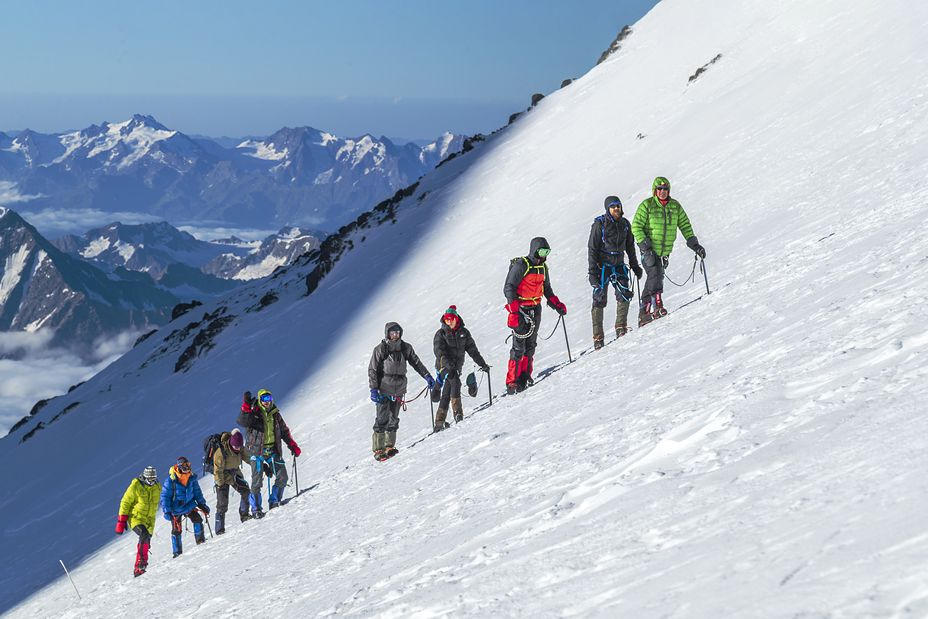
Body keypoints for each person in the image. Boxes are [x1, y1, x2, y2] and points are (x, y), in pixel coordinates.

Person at [631, 177, 706, 327]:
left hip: (664, 252)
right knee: (655, 274)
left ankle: (643, 312)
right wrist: (645, 246)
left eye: (665, 189)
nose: (663, 192)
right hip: (648, 251)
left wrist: (695, 245)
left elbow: (685, 225)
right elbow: (636, 226)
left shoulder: (675, 206)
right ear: (655, 190)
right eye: (660, 189)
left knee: (654, 276)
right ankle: (657, 306)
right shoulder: (647, 205)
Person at [503, 237, 567, 394]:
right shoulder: (522, 265)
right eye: (542, 251)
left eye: (547, 252)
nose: (545, 255)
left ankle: (525, 376)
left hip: (535, 309)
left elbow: (547, 289)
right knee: (518, 346)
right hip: (521, 309)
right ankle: (512, 382)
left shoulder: (543, 268)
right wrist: (514, 310)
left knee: (530, 345)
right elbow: (509, 287)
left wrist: (556, 304)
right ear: (534, 250)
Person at [368, 322, 436, 461]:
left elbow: (416, 363)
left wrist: (427, 375)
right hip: (384, 388)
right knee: (382, 419)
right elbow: (373, 370)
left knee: (394, 418)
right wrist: (374, 389)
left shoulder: (405, 348)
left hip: (399, 389)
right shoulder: (381, 349)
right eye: (392, 333)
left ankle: (389, 447)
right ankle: (378, 450)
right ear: (387, 333)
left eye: (397, 332)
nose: (395, 335)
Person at [588, 196, 643, 349]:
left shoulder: (625, 224)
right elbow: (592, 248)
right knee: (599, 298)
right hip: (602, 266)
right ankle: (598, 337)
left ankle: (621, 327)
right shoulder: (600, 224)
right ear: (608, 209)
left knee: (624, 293)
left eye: (618, 206)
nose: (617, 209)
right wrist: (592, 271)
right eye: (613, 207)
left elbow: (630, 247)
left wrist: (635, 266)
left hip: (619, 263)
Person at [237, 389, 301, 516]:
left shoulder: (275, 414)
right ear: (260, 400)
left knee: (282, 476)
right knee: (257, 482)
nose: (267, 402)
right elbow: (242, 422)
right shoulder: (253, 413)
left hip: (272, 450)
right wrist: (245, 409)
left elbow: (284, 431)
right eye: (264, 399)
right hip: (256, 452)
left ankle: (274, 501)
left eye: (269, 399)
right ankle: (256, 509)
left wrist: (292, 445)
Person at [432, 305, 490, 432]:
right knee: (455, 381)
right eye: (447, 320)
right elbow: (439, 353)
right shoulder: (440, 334)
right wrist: (450, 366)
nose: (449, 321)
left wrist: (482, 364)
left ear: (456, 319)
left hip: (456, 368)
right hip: (443, 366)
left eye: (452, 319)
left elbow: (473, 351)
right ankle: (458, 414)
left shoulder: (464, 333)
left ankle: (439, 422)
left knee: (446, 393)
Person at [116, 466, 161, 577]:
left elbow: (163, 499)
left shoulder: (157, 487)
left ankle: (138, 570)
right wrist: (121, 521)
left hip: (149, 520)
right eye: (150, 479)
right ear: (144, 477)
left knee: (146, 543)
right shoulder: (135, 486)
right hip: (136, 518)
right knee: (144, 535)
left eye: (154, 479)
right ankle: (142, 562)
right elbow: (125, 503)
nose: (152, 482)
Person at [160, 457, 210, 558]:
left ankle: (201, 542)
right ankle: (177, 552)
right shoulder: (171, 481)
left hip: (189, 505)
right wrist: (167, 511)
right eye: (184, 466)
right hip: (175, 508)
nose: (187, 468)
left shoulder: (192, 478)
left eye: (188, 465)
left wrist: (202, 504)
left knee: (197, 519)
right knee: (176, 529)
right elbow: (165, 496)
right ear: (178, 467)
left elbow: (197, 492)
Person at [212, 428, 251, 533]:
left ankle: (245, 515)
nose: (238, 449)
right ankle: (219, 529)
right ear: (231, 444)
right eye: (236, 447)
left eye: (239, 446)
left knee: (246, 491)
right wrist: (219, 485)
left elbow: (248, 458)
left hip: (234, 474)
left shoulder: (240, 448)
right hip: (222, 477)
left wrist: (259, 466)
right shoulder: (221, 452)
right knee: (222, 504)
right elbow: (218, 471)